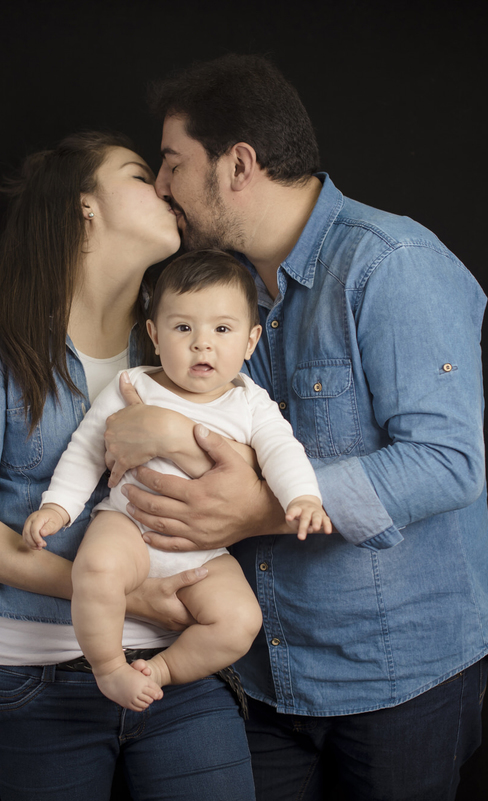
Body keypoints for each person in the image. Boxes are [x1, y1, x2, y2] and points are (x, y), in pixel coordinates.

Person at [103, 55, 488, 799]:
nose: (161, 188)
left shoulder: (391, 264)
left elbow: (449, 461)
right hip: (261, 676)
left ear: (239, 164)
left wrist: (261, 506)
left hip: (400, 680)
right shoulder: (206, 290)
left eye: (171, 164)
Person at [0, 131, 255, 801]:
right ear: (83, 208)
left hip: (176, 667)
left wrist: (169, 430)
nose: (164, 186)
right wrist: (114, 592)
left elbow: (244, 476)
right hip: (36, 678)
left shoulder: (185, 332)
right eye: (137, 173)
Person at [23, 250, 330, 711]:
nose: (201, 344)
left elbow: (283, 452)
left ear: (250, 342)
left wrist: (303, 496)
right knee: (97, 570)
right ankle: (108, 667)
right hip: (127, 525)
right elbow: (88, 447)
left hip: (204, 546)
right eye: (183, 328)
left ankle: (162, 668)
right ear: (154, 335)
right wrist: (58, 507)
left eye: (221, 330)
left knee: (241, 620)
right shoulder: (137, 385)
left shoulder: (252, 404)